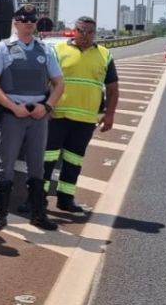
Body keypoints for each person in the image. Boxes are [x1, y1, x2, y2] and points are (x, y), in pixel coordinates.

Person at [0, 4, 65, 232]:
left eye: (32, 20)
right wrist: (12, 106)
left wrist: (47, 106)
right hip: (13, 114)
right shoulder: (3, 49)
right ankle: (0, 213)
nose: (29, 23)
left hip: (38, 114)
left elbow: (59, 83)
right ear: (15, 23)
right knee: (6, 164)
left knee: (37, 165)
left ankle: (38, 214)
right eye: (23, 19)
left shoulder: (45, 50)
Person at [39, 16, 119, 213]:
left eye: (89, 31)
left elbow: (113, 88)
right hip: (56, 115)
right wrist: (44, 106)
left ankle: (66, 199)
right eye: (80, 30)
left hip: (85, 119)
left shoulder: (104, 55)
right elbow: (43, 81)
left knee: (74, 161)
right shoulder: (58, 50)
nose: (84, 35)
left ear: (95, 33)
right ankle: (37, 198)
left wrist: (109, 115)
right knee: (46, 159)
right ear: (73, 30)